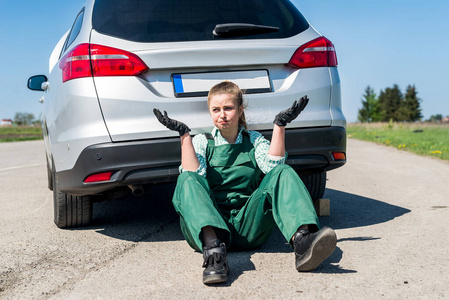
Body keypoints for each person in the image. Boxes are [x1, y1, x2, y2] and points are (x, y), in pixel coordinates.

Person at [153, 81, 336, 285]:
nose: (222, 114)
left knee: (283, 171)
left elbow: (272, 166)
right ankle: (215, 257)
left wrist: (280, 125)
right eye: (216, 109)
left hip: (250, 226)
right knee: (186, 178)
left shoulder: (254, 139)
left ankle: (302, 242)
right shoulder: (202, 141)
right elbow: (194, 175)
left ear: (240, 110)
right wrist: (185, 136)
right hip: (211, 228)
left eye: (228, 108)